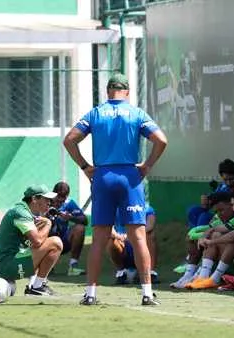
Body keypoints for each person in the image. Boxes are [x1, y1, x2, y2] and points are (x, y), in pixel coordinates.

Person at [64, 73, 167, 306]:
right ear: (127, 92)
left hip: (102, 175)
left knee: (99, 238)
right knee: (139, 236)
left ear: (108, 91)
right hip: (130, 176)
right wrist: (147, 165)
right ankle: (147, 293)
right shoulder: (136, 113)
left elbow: (70, 140)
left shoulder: (96, 112)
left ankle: (90, 294)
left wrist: (85, 167)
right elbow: (161, 140)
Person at [0, 185, 63, 296]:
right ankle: (37, 286)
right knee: (56, 242)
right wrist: (48, 223)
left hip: (6, 265)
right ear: (34, 199)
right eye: (46, 199)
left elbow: (34, 245)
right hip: (7, 265)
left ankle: (34, 285)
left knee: (46, 245)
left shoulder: (26, 213)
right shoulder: (21, 213)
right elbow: (38, 242)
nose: (49, 202)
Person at [108, 204, 159, 284]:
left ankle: (150, 272)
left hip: (141, 245)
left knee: (151, 235)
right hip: (123, 244)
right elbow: (108, 227)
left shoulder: (146, 207)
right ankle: (122, 273)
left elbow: (150, 225)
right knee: (111, 240)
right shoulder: (113, 208)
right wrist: (119, 236)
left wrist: (133, 236)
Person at [50, 181, 88, 276]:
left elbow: (85, 220)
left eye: (62, 199)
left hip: (63, 242)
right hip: (47, 241)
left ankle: (73, 267)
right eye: (57, 198)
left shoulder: (69, 203)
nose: (59, 201)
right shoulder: (45, 200)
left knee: (80, 228)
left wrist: (70, 217)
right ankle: (44, 266)